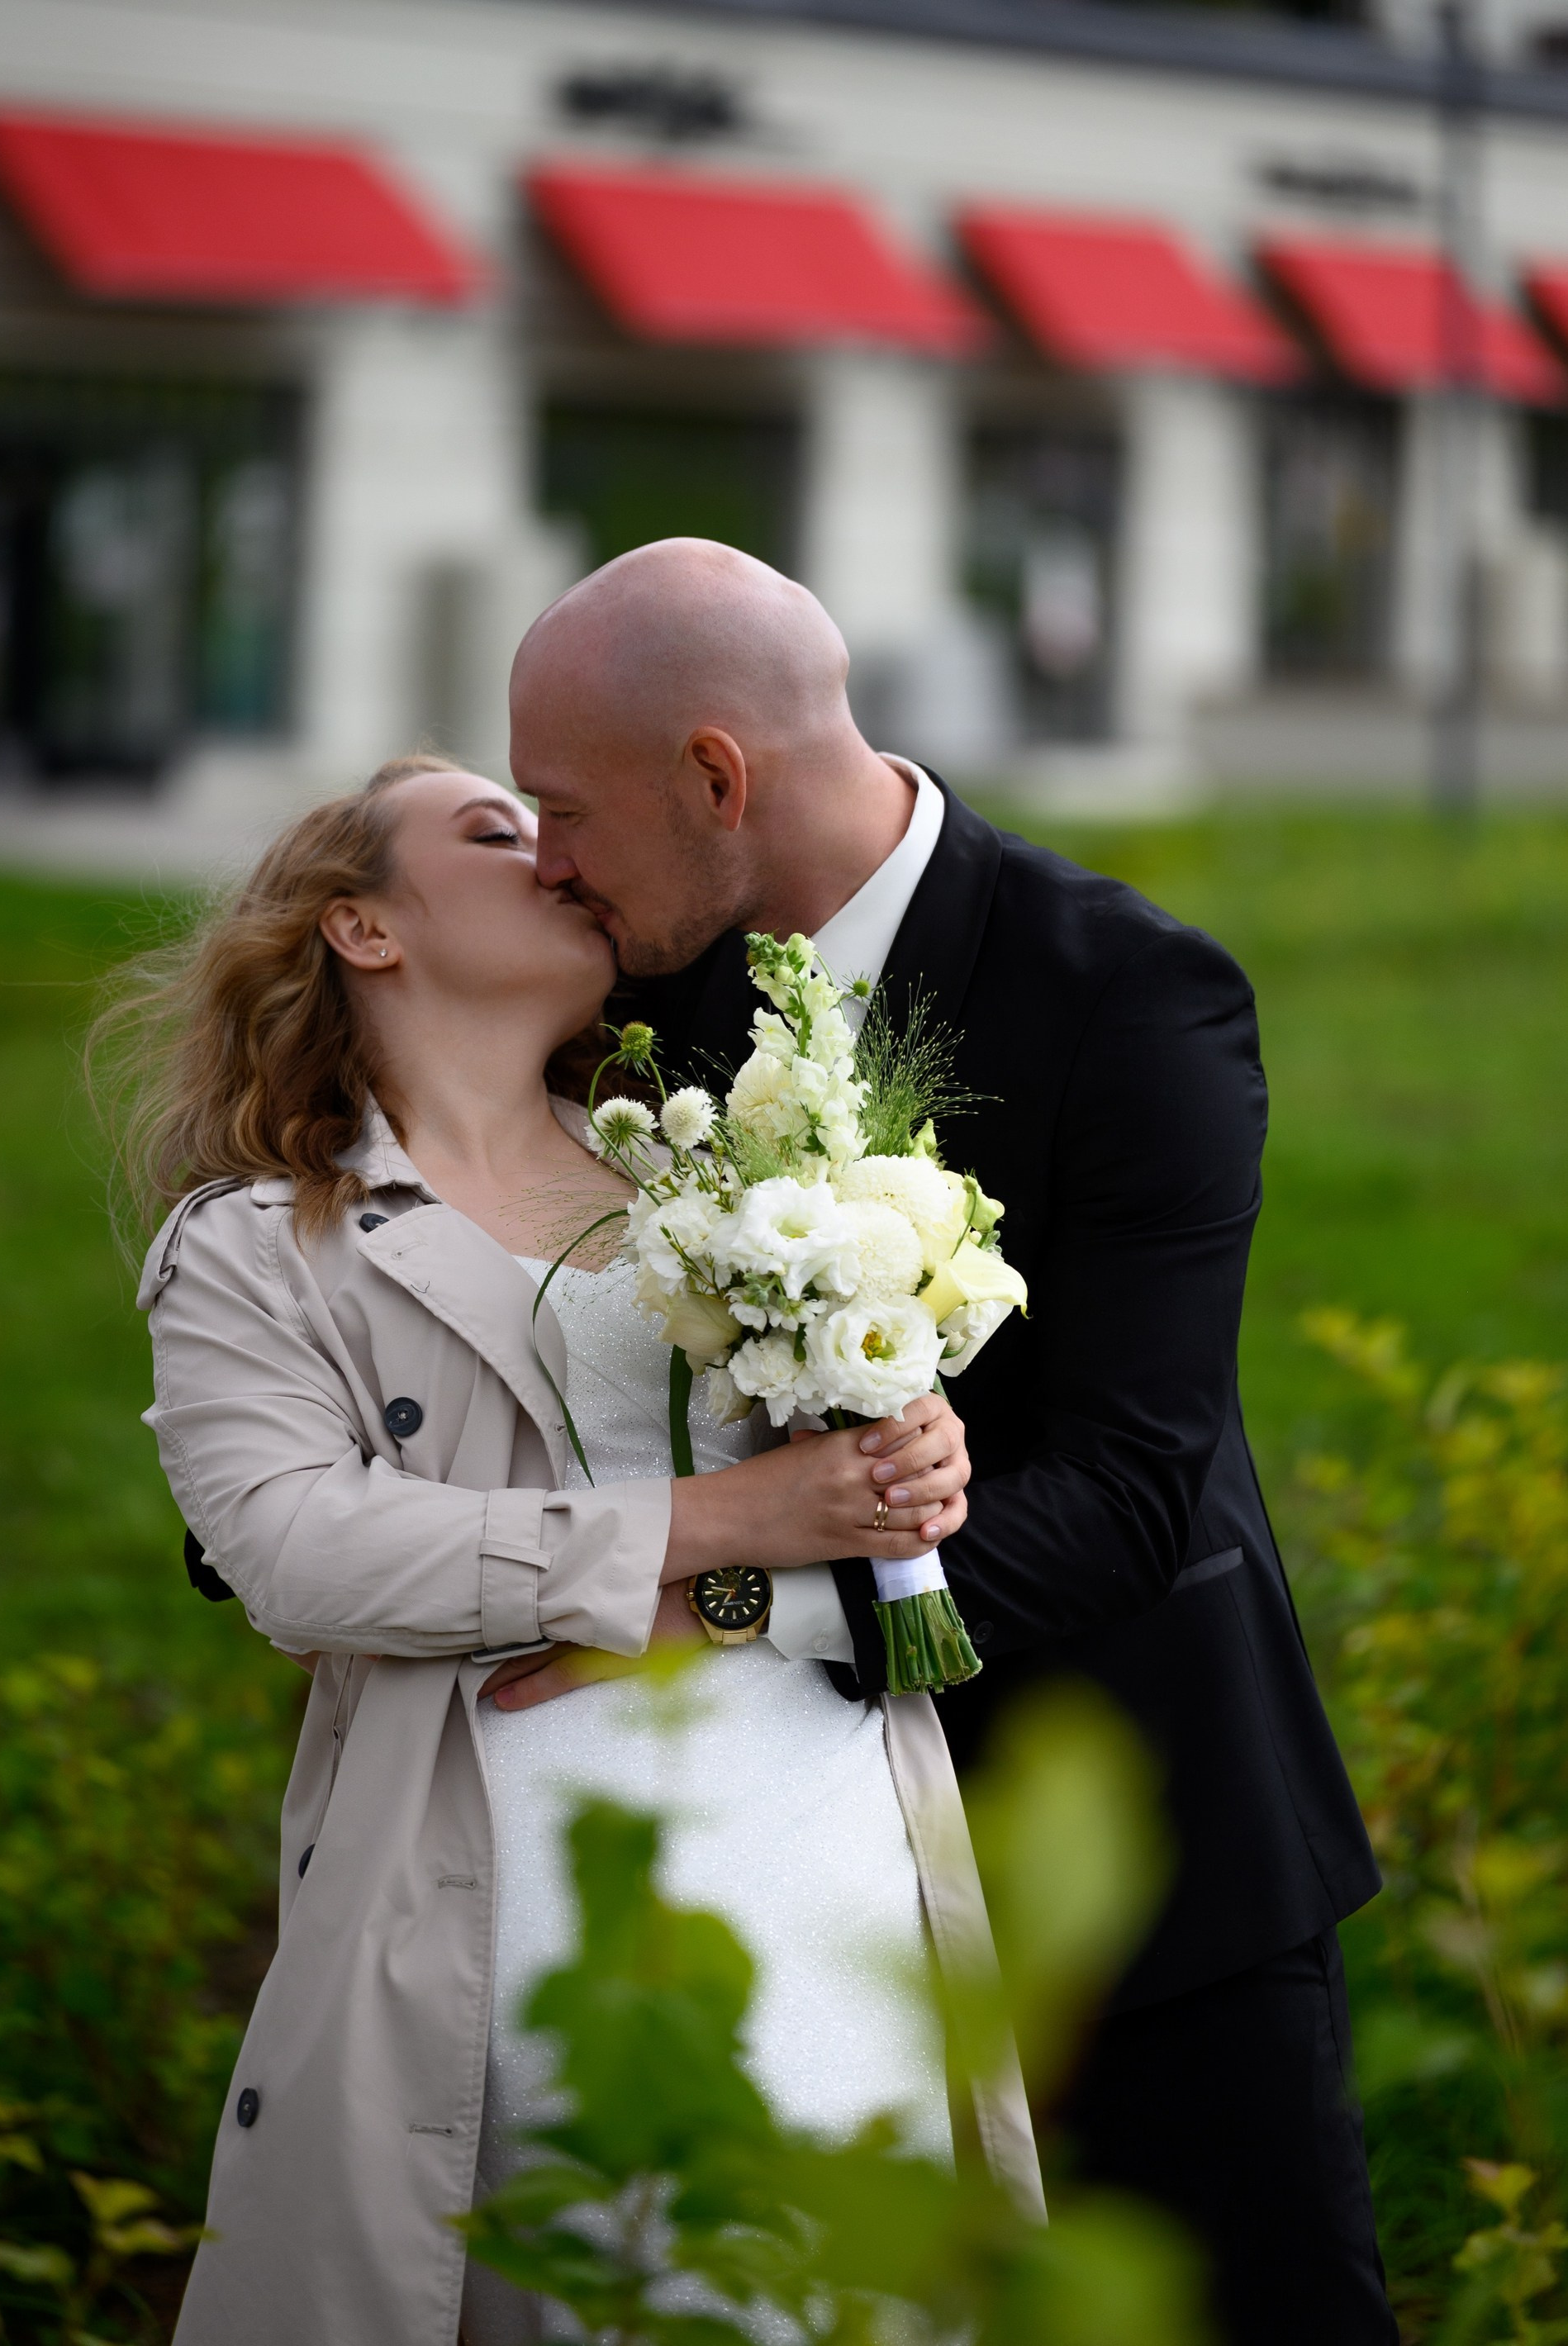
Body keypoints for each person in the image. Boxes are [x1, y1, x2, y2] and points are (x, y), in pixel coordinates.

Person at [506, 538, 1398, 2346]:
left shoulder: (1132, 993)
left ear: (714, 779)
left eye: (563, 810)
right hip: (766, 1875)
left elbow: (1133, 1485)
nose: (546, 865)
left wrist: (733, 1606)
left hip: (1133, 1858)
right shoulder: (597, 1005)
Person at [111, 754, 1039, 2346]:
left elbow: (848, 1519)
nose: (553, 852)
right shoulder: (259, 1243)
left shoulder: (715, 1174)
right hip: (501, 1869)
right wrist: (721, 1519)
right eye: (492, 831)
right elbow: (301, 1556)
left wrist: (907, 1455)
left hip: (821, 1829)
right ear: (364, 929)